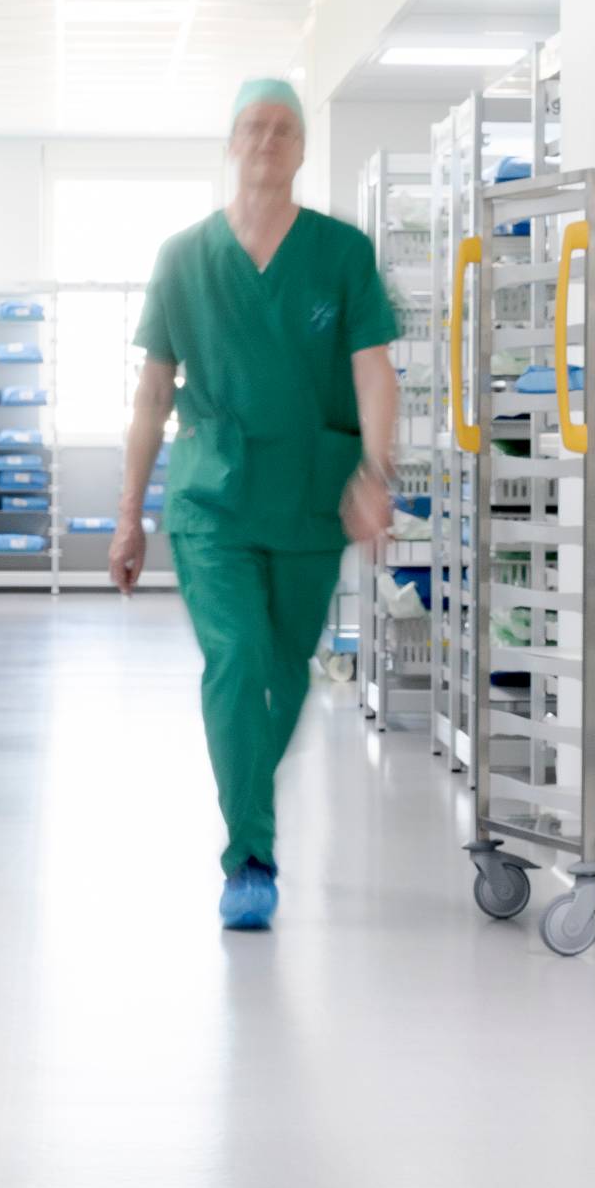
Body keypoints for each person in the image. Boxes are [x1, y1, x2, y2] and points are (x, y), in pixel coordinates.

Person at [110, 79, 400, 930]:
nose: (268, 140)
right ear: (231, 144)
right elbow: (152, 392)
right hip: (214, 499)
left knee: (283, 674)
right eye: (253, 127)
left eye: (284, 129)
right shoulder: (182, 258)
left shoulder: (342, 253)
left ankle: (247, 804)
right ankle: (250, 858)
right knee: (236, 663)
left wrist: (375, 475)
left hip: (313, 497)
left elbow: (373, 369)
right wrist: (129, 513)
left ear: (303, 150)